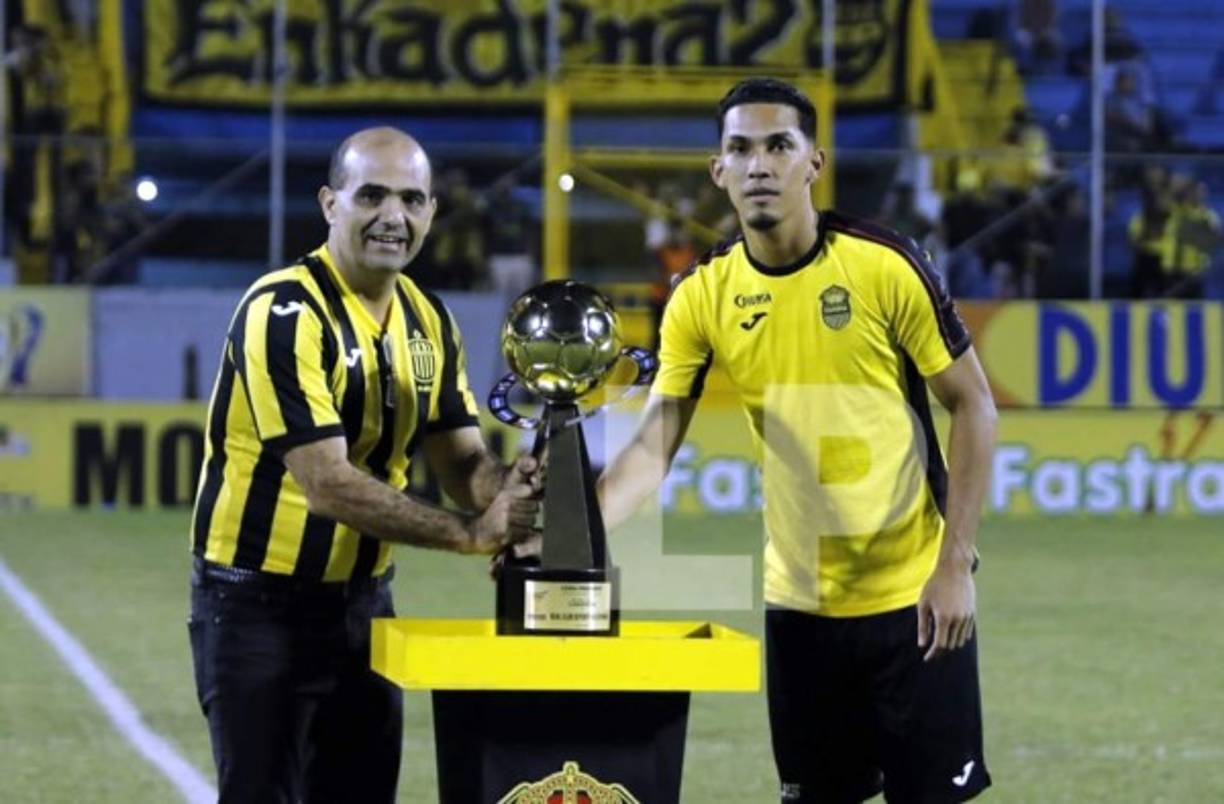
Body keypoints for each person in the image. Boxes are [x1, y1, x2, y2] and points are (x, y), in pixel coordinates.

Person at [598, 78, 998, 802]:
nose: (759, 165)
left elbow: (973, 405)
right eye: (740, 149)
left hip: (914, 601)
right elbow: (652, 450)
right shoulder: (699, 297)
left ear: (814, 161)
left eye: (779, 145)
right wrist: (571, 529)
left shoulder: (884, 266)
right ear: (718, 170)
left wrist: (955, 565)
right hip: (801, 611)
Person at [188, 127, 540, 803]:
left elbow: (460, 456)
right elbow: (327, 483)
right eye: (371, 194)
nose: (393, 216)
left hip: (365, 607)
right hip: (257, 607)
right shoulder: (283, 310)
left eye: (412, 199)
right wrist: (471, 534)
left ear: (432, 212)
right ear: (329, 204)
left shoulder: (429, 319)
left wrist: (512, 494)